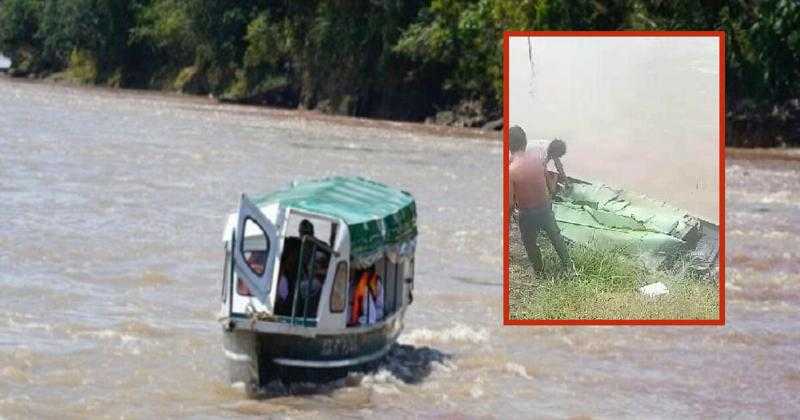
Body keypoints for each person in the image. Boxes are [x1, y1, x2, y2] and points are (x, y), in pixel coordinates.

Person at [509, 125, 572, 273]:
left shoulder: (511, 170)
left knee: (530, 243)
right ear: (525, 142)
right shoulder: (538, 158)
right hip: (545, 207)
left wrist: (511, 213)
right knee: (555, 236)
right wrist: (550, 192)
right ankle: (569, 267)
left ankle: (539, 271)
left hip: (527, 213)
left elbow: (511, 202)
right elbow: (545, 178)